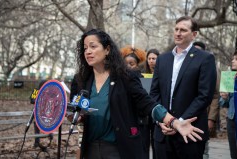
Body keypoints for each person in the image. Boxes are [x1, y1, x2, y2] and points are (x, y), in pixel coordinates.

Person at [69, 28, 204, 159]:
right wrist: (74, 116)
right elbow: (75, 109)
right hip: (90, 148)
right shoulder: (81, 79)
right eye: (85, 48)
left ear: (107, 50)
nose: (88, 52)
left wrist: (174, 122)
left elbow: (148, 103)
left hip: (119, 148)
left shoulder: (125, 77)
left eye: (93, 47)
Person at [150, 16, 217, 159]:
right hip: (162, 132)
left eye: (183, 30)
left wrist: (178, 122)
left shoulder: (205, 59)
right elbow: (154, 93)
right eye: (176, 29)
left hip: (190, 132)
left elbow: (204, 96)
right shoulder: (163, 59)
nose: (178, 33)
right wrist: (163, 120)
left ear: (194, 35)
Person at [193, 41, 220, 159]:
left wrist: (211, 118)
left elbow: (215, 95)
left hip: (203, 115)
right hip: (184, 116)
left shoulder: (212, 68)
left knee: (203, 150)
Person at [219, 50, 237, 159]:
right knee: (234, 153)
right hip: (232, 119)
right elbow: (223, 104)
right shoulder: (228, 77)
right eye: (233, 58)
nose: (232, 61)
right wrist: (224, 97)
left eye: (236, 59)